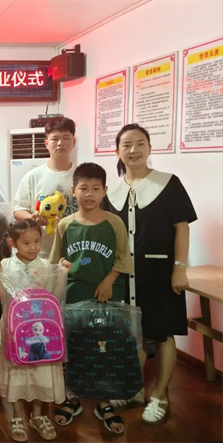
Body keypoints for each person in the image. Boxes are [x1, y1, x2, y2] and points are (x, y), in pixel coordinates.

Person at [103, 124, 197, 424]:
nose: (134, 150)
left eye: (140, 143)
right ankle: (134, 390)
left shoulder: (168, 183)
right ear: (117, 151)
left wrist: (180, 268)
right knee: (134, 333)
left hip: (160, 272)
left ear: (149, 148)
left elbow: (181, 227)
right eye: (127, 145)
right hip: (125, 274)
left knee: (162, 332)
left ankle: (160, 395)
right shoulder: (111, 191)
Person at [49, 163, 133, 434]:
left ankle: (103, 402)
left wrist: (108, 281)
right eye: (83, 188)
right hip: (74, 296)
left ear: (104, 191)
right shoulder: (65, 224)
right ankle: (73, 397)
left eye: (96, 188)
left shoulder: (114, 223)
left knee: (104, 348)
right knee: (74, 347)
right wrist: (62, 267)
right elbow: (56, 262)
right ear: (73, 191)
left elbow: (123, 260)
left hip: (106, 295)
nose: (89, 193)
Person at [0, 220, 67, 441]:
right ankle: (17, 415)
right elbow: (3, 299)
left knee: (41, 367)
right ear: (12, 242)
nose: (33, 247)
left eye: (37, 241)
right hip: (14, 329)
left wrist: (62, 273)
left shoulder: (45, 266)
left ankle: (38, 415)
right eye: (26, 243)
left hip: (41, 327)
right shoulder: (5, 265)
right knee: (16, 367)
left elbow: (53, 297)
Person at [13, 117, 79, 258]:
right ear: (46, 143)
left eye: (66, 138)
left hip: (75, 250)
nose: (60, 143)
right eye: (55, 139)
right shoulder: (33, 176)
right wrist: (32, 218)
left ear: (73, 142)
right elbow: (18, 210)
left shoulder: (81, 176)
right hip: (41, 253)